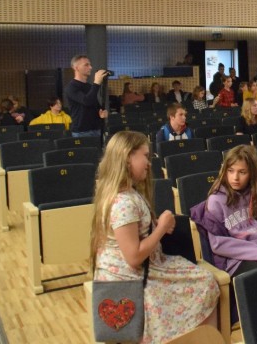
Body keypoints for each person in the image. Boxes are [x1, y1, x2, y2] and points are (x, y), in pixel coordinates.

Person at [90, 131, 219, 343]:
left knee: (204, 279)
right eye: (145, 156)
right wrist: (161, 228)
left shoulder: (126, 194)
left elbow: (134, 232)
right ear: (127, 157)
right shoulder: (123, 202)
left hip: (142, 269)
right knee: (205, 284)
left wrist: (155, 225)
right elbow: (133, 256)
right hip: (131, 279)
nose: (149, 163)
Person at [190, 145, 257, 276]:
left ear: (252, 174)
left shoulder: (255, 194)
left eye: (242, 172)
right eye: (230, 171)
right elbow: (217, 244)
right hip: (236, 261)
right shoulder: (215, 201)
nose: (235, 177)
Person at [64, 54, 108, 138]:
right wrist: (97, 83)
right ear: (76, 68)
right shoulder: (71, 87)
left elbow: (94, 104)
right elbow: (86, 101)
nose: (90, 67)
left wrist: (102, 112)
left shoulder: (89, 86)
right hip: (82, 131)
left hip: (96, 128)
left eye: (90, 65)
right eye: (86, 65)